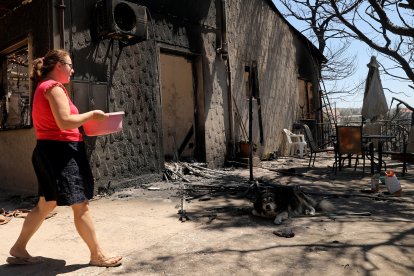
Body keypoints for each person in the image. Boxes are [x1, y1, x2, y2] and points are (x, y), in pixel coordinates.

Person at [6, 49, 122, 267]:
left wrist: (85, 125)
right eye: (70, 65)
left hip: (47, 150)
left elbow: (61, 122)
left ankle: (18, 249)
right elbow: (65, 122)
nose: (72, 69)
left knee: (45, 205)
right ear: (58, 66)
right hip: (61, 153)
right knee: (81, 204)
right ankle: (97, 254)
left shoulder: (44, 88)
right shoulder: (53, 87)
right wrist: (92, 115)